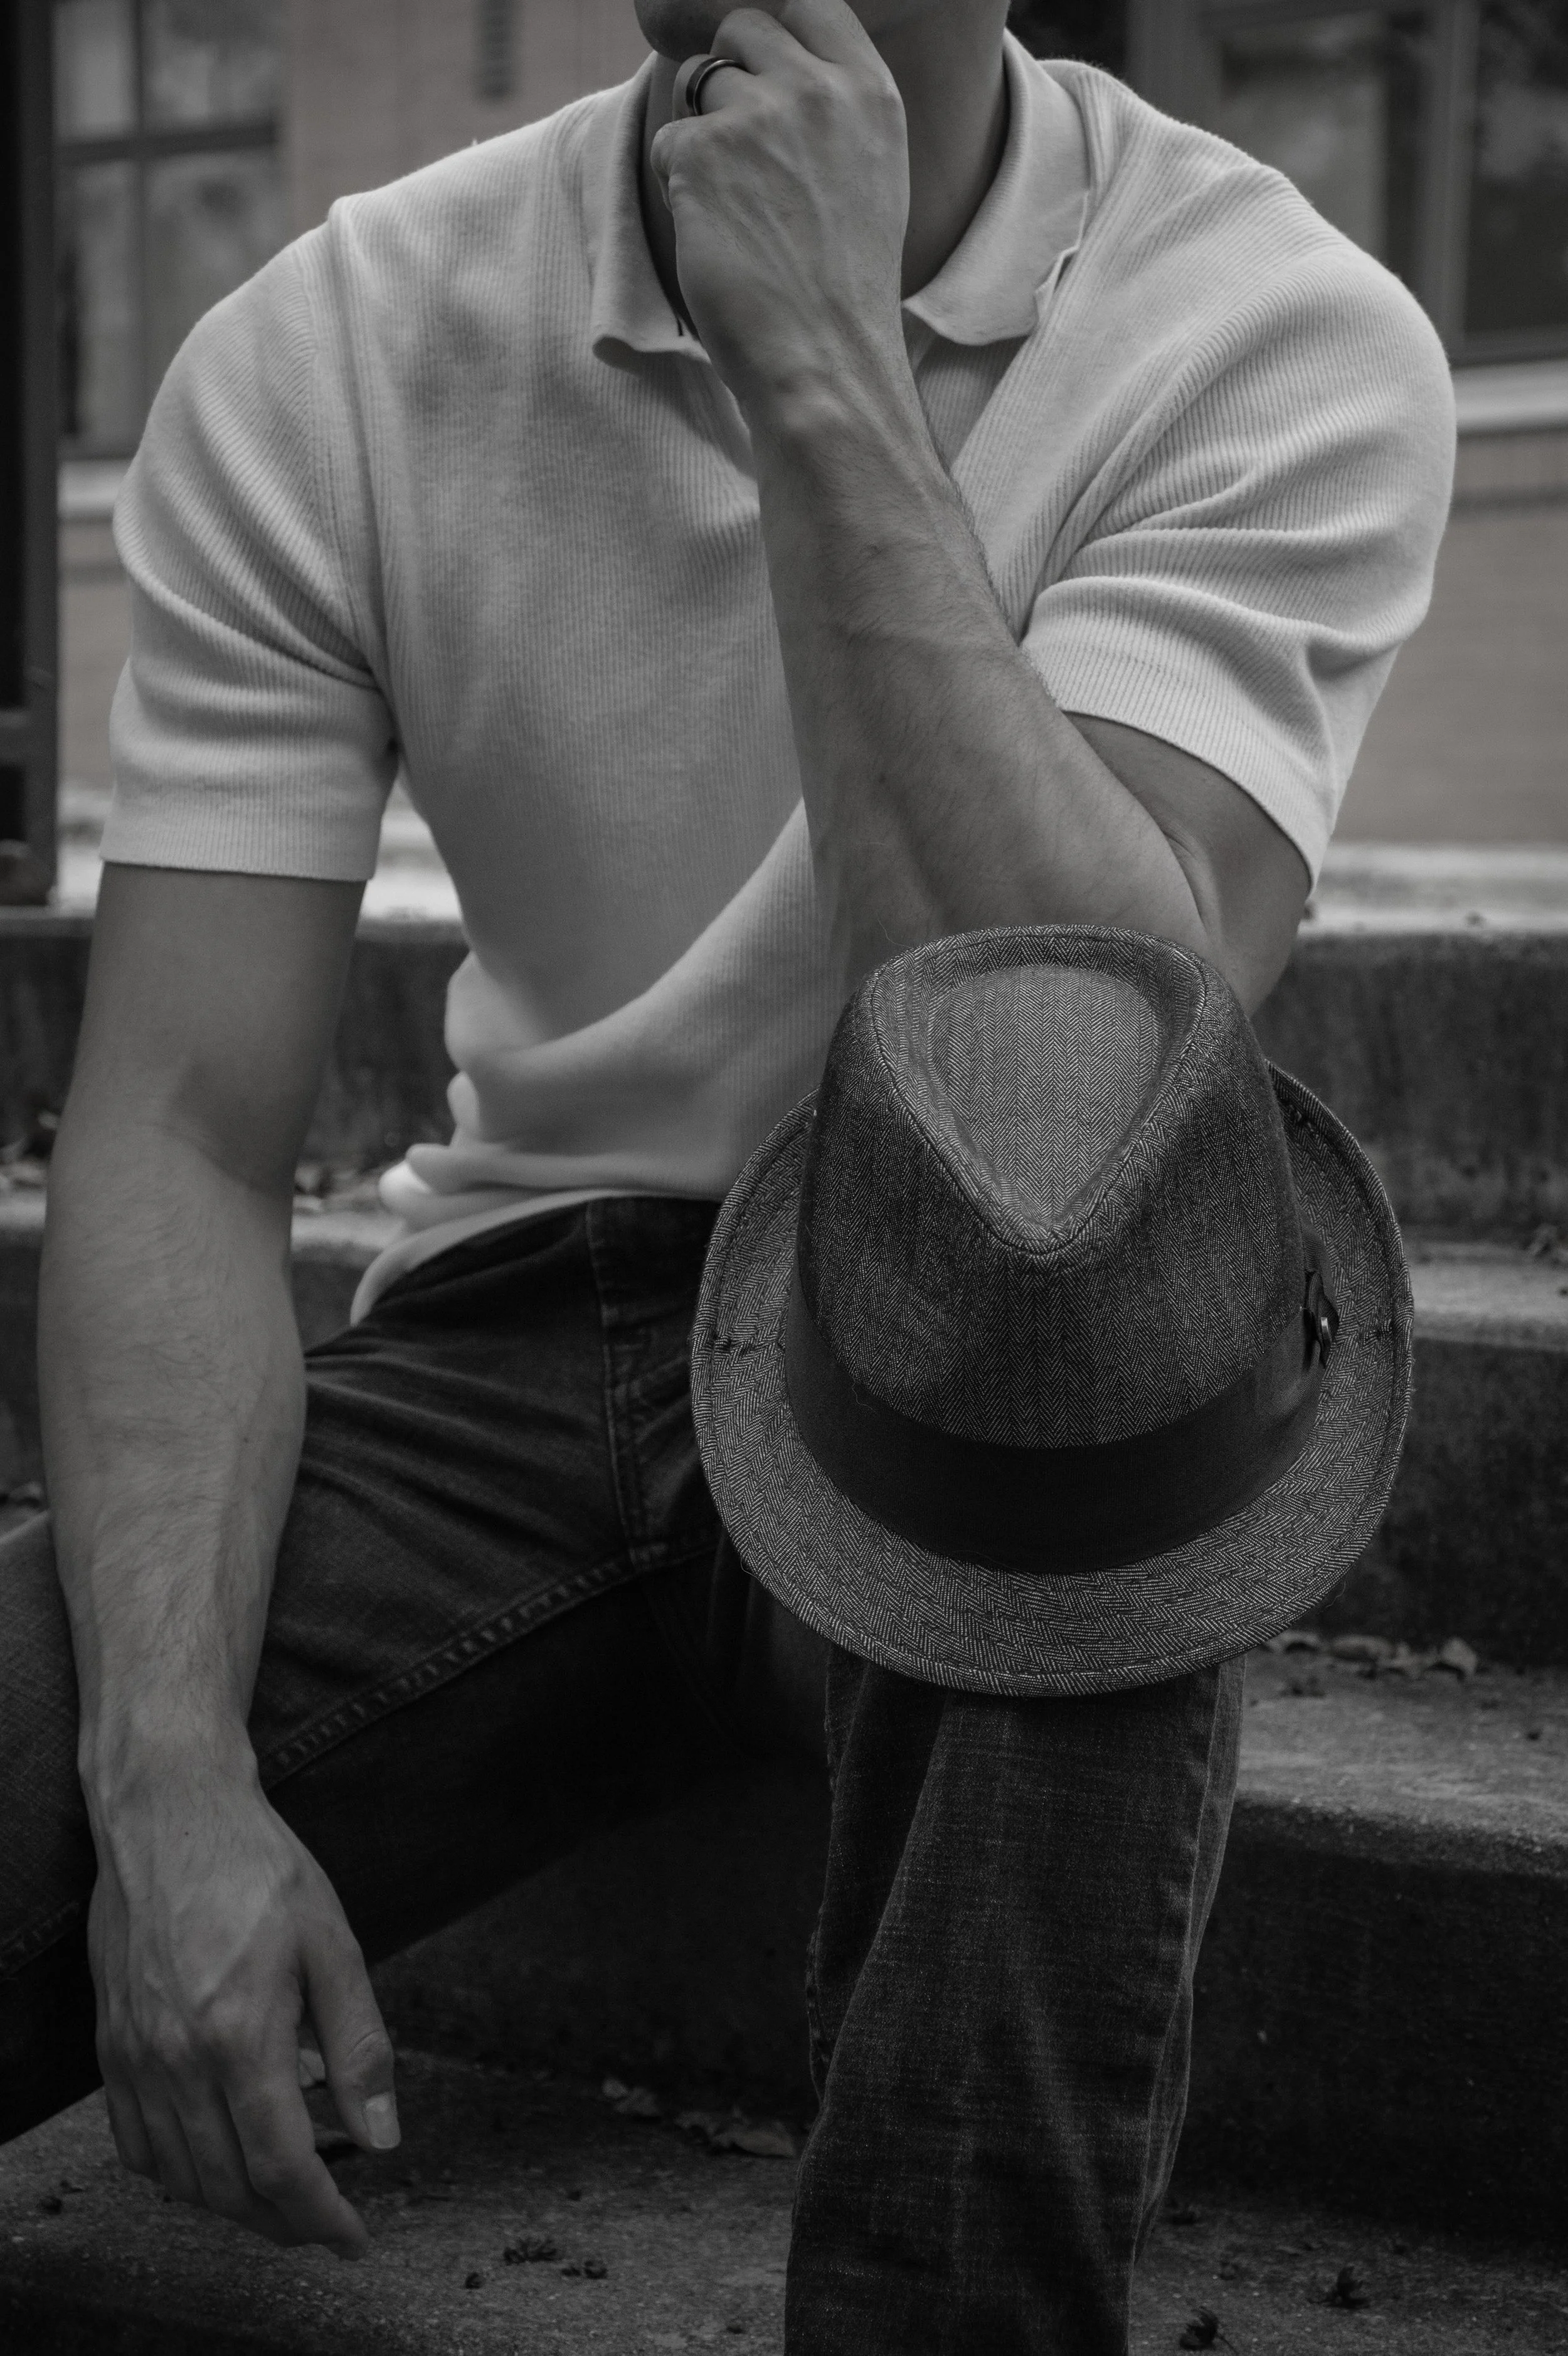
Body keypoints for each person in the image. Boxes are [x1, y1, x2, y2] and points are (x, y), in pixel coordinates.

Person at [0, 0, 1451, 2345]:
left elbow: (1074, 1119)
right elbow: (170, 1128)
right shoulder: (342, 341)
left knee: (1101, 1435)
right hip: (516, 1348)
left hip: (964, 1360)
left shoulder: (1270, 335)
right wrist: (165, 1781)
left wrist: (822, 380)